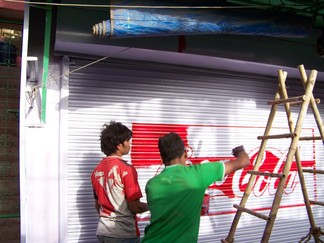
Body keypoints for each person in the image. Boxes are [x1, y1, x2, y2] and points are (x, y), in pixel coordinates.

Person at [141, 132, 250, 243]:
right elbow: (244, 161)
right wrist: (239, 150)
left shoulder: (151, 185)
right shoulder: (198, 174)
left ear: (162, 158)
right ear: (185, 154)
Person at [91, 121, 148, 243]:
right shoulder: (126, 169)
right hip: (123, 233)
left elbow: (97, 206)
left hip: (103, 232)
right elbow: (134, 206)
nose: (130, 144)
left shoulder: (96, 171)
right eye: (128, 141)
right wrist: (154, 205)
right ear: (119, 145)